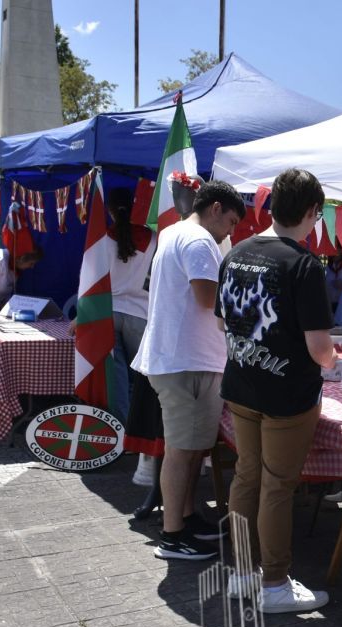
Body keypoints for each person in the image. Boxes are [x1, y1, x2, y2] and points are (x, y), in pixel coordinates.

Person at [217, 168, 336, 612]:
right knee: (278, 485)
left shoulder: (236, 252)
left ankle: (244, 574)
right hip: (286, 395)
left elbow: (222, 323)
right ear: (310, 213)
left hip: (241, 383)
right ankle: (273, 584)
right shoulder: (303, 265)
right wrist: (334, 361)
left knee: (247, 475)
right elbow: (319, 348)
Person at [132, 181, 244, 560]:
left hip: (180, 357)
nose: (230, 231)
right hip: (187, 361)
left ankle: (184, 517)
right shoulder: (198, 241)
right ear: (215, 208)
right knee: (182, 450)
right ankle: (173, 534)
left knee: (192, 448)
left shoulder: (174, 233)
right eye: (230, 220)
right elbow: (208, 298)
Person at [104, 188, 156, 426]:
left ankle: (121, 429)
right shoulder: (154, 237)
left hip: (109, 312)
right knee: (146, 378)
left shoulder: (103, 237)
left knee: (117, 380)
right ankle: (145, 430)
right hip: (141, 313)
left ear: (110, 210)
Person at [0, 247, 43, 312]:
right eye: (31, 263)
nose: (32, 267)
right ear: (22, 259)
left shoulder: (16, 269)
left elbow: (5, 294)